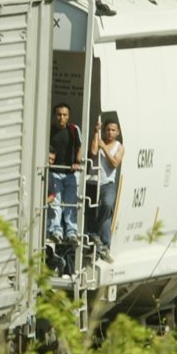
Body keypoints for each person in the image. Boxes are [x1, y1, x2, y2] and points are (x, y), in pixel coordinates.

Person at [48, 103, 83, 245]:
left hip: (70, 173)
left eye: (64, 115)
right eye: (58, 115)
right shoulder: (49, 130)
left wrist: (77, 162)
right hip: (54, 172)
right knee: (55, 204)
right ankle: (56, 231)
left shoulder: (74, 130)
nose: (61, 118)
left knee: (70, 203)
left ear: (68, 116)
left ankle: (71, 232)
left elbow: (79, 147)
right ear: (54, 116)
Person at [90, 117, 123, 259]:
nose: (110, 132)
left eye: (113, 130)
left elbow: (114, 163)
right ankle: (103, 246)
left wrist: (104, 148)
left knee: (108, 205)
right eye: (108, 130)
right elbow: (92, 152)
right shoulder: (99, 140)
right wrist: (96, 132)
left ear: (117, 132)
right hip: (93, 181)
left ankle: (94, 233)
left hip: (107, 183)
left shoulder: (119, 147)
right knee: (100, 214)